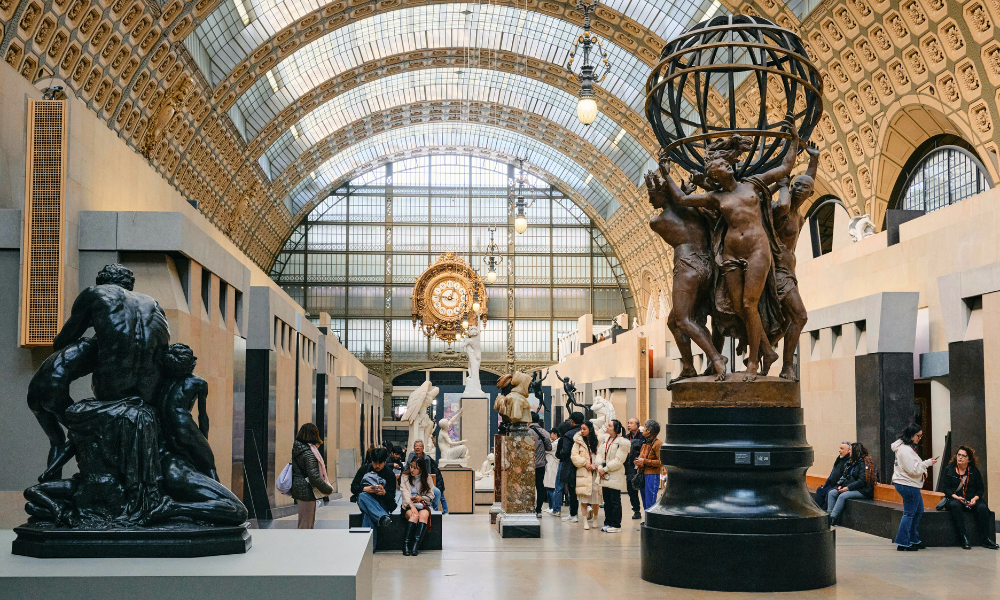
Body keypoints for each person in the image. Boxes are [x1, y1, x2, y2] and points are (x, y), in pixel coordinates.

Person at [940, 446, 999, 550]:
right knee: (955, 505)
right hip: (955, 498)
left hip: (971, 498)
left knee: (982, 507)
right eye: (959, 455)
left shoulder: (974, 471)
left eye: (963, 456)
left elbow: (980, 489)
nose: (960, 457)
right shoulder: (949, 469)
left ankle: (986, 539)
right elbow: (946, 488)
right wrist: (956, 497)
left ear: (969, 459)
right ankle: (963, 538)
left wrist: (975, 499)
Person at [891, 423, 937, 551]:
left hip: (909, 484)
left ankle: (913, 539)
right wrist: (927, 463)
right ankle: (903, 542)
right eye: (918, 436)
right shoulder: (905, 450)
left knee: (918, 511)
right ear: (911, 435)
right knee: (910, 513)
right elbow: (913, 469)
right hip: (908, 484)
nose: (919, 438)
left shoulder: (906, 447)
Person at [350, 446, 397, 550]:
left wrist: (384, 493)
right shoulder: (364, 469)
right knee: (362, 496)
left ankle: (367, 548)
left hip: (382, 504)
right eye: (375, 462)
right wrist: (365, 489)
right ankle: (382, 517)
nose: (377, 466)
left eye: (380, 463)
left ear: (385, 461)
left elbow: (392, 496)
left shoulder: (389, 474)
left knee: (368, 515)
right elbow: (353, 488)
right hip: (366, 500)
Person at [291, 423, 334, 529]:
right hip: (306, 491)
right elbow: (314, 477)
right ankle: (304, 545)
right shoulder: (309, 453)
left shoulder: (299, 450)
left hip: (300, 489)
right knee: (306, 525)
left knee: (305, 523)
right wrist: (327, 489)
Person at [826, 442, 876, 525]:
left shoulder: (864, 462)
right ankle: (828, 515)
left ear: (856, 451)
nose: (849, 452)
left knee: (842, 496)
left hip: (863, 490)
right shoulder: (853, 462)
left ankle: (832, 518)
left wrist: (847, 488)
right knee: (832, 493)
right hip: (851, 487)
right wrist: (840, 486)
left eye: (850, 450)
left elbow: (861, 481)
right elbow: (845, 476)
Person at [598, 420, 631, 533]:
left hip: (615, 473)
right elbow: (599, 454)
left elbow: (619, 460)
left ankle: (616, 525)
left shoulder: (622, 442)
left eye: (610, 425)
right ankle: (608, 522)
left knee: (614, 500)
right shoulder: (604, 440)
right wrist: (599, 468)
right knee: (606, 500)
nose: (607, 427)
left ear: (616, 428)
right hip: (603, 473)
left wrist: (605, 469)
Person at [399, 457, 436, 556]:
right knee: (414, 516)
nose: (412, 470)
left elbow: (431, 495)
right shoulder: (404, 476)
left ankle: (416, 545)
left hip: (422, 505)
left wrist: (421, 498)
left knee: (423, 516)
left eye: (415, 468)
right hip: (408, 506)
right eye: (411, 466)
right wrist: (412, 506)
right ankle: (406, 545)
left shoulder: (427, 478)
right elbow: (405, 493)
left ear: (421, 469)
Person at [552, 412, 584, 520]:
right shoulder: (585, 432)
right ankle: (587, 512)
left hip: (570, 465)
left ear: (572, 421)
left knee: (572, 489)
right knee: (585, 489)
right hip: (585, 464)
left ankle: (573, 514)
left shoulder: (568, 434)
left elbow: (565, 451)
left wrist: (561, 455)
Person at [571, 420, 601, 530]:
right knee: (583, 497)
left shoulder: (598, 440)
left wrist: (596, 464)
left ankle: (596, 518)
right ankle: (584, 521)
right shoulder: (577, 442)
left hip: (596, 472)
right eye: (581, 429)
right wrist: (585, 463)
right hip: (583, 472)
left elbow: (602, 454)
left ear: (590, 429)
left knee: (596, 497)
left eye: (584, 429)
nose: (582, 431)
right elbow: (574, 456)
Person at [407, 440, 448, 513]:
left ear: (423, 448)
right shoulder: (412, 455)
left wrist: (426, 482)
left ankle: (434, 510)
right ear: (413, 448)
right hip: (412, 480)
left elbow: (428, 473)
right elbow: (408, 470)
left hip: (423, 480)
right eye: (416, 446)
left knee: (437, 492)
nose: (417, 448)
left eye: (419, 446)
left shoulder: (427, 458)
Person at [634, 419, 663, 511]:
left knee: (650, 500)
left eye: (645, 427)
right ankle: (647, 520)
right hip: (642, 473)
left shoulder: (658, 444)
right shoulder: (646, 442)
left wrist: (645, 461)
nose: (642, 429)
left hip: (652, 475)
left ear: (649, 431)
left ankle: (651, 521)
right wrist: (638, 462)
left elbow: (661, 462)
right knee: (645, 500)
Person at [815, 441, 851, 509]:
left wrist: (839, 485)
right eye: (839, 448)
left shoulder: (848, 461)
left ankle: (826, 514)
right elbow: (833, 473)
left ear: (848, 450)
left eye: (842, 448)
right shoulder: (839, 459)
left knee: (829, 493)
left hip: (838, 486)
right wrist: (826, 484)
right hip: (832, 484)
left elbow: (846, 476)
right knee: (820, 490)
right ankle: (817, 511)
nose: (839, 450)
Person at [529, 412, 552, 518]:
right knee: (540, 486)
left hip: (528, 464)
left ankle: (529, 507)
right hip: (541, 463)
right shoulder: (545, 432)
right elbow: (549, 447)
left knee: (528, 487)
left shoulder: (526, 432)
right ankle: (539, 510)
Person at [624, 418, 644, 519]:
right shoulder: (626, 438)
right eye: (628, 423)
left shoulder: (643, 437)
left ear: (637, 425)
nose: (629, 425)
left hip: (642, 467)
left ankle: (648, 511)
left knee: (644, 490)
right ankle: (636, 510)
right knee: (631, 489)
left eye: (631, 423)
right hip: (630, 467)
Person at [543, 430, 560, 511]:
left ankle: (553, 507)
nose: (550, 436)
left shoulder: (557, 442)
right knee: (549, 487)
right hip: (549, 465)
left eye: (551, 434)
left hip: (553, 465)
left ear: (555, 434)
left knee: (552, 488)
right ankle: (550, 506)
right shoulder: (553, 442)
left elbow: (548, 449)